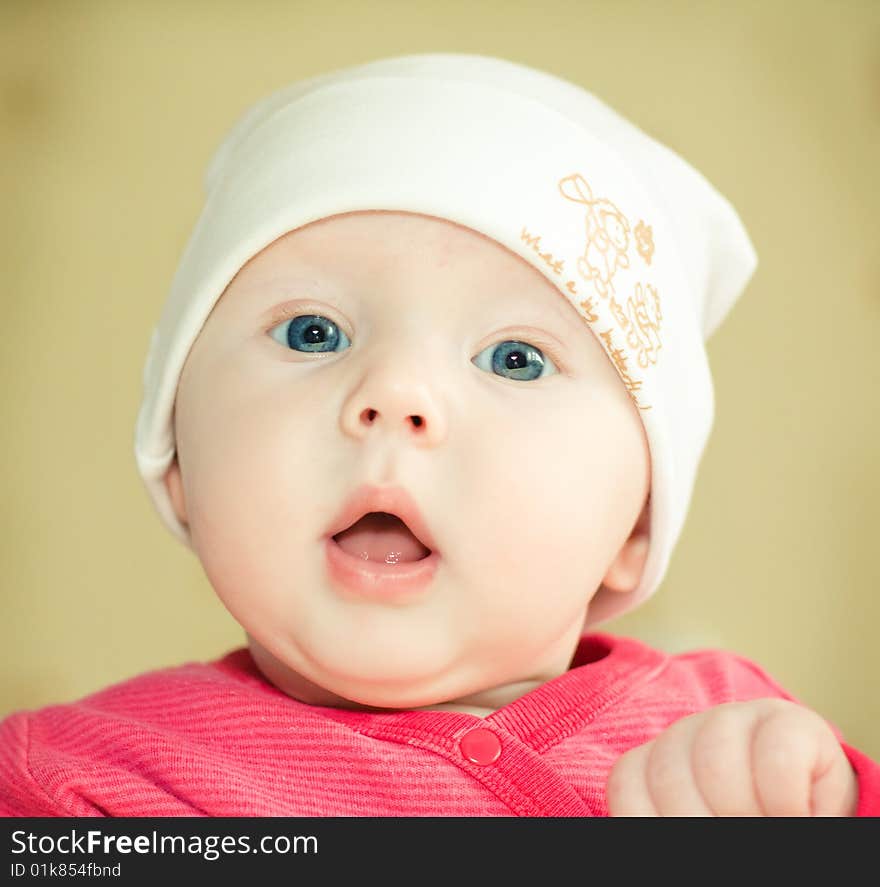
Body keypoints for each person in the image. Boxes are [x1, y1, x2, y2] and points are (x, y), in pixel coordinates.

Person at [1, 52, 877, 817]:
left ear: (636, 524)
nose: (394, 395)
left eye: (515, 358)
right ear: (181, 458)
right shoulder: (79, 786)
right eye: (315, 332)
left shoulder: (741, 747)